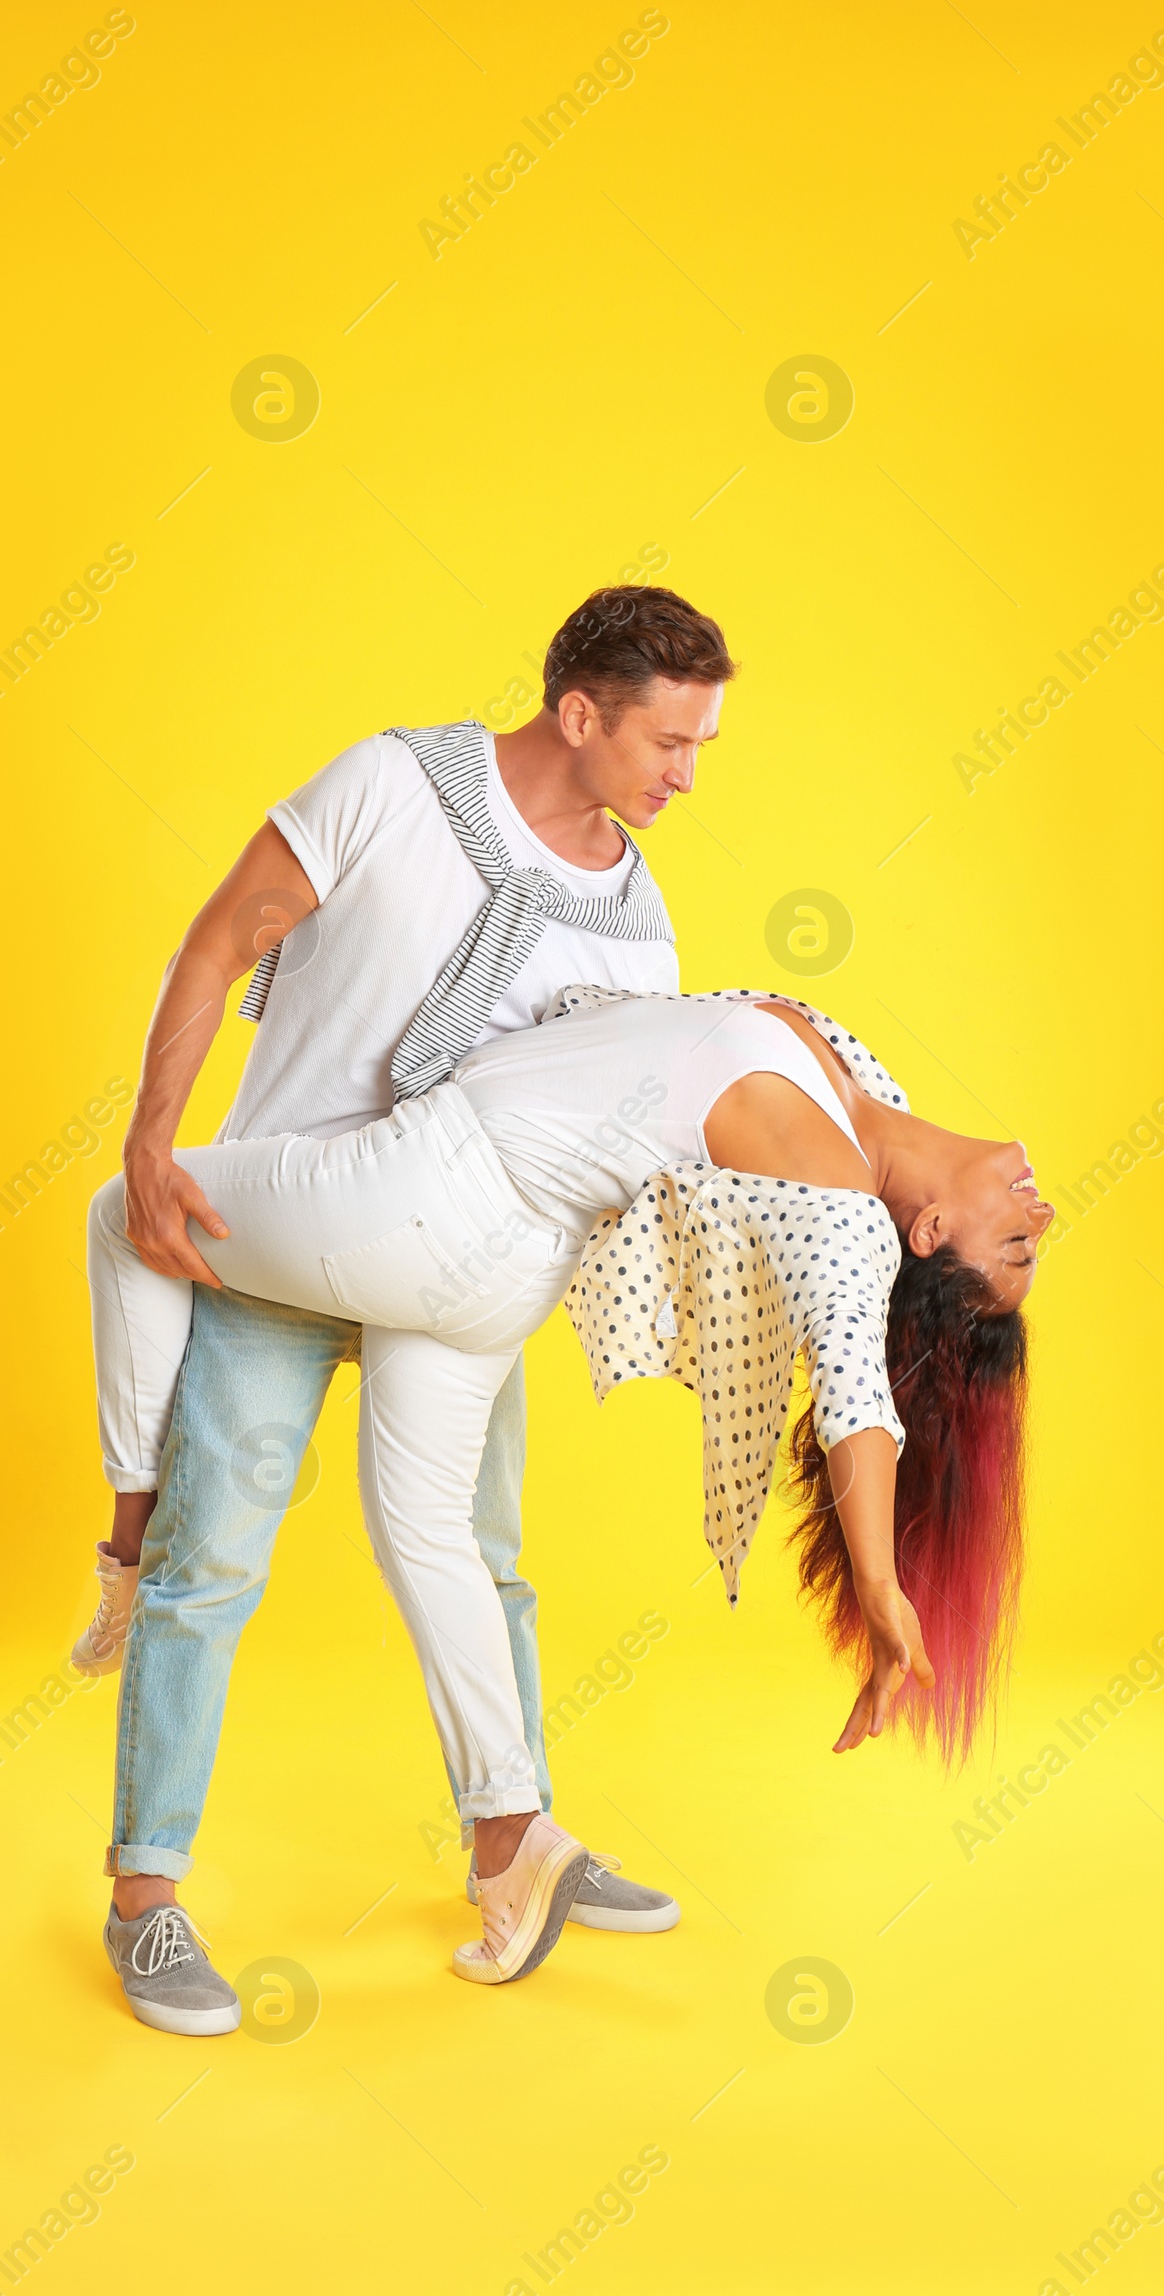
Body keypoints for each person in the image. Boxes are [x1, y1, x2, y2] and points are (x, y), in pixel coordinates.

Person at [87, 982, 1051, 2007]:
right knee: (426, 1531)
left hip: (432, 1193)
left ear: (929, 1229)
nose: (1041, 1215)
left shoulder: (846, 1216)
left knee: (129, 1207)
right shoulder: (856, 1079)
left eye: (1017, 1245)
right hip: (498, 1263)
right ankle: (513, 1849)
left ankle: (124, 1549)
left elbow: (855, 1389)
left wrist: (877, 1580)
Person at [80, 587, 740, 2036]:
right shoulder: (392, 786)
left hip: (451, 1278)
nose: (688, 773)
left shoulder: (640, 929)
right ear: (581, 714)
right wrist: (152, 1142)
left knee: (483, 1558)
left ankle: (517, 1852)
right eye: (671, 741)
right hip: (274, 1242)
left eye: (701, 744)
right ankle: (146, 1901)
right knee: (208, 1566)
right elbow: (220, 936)